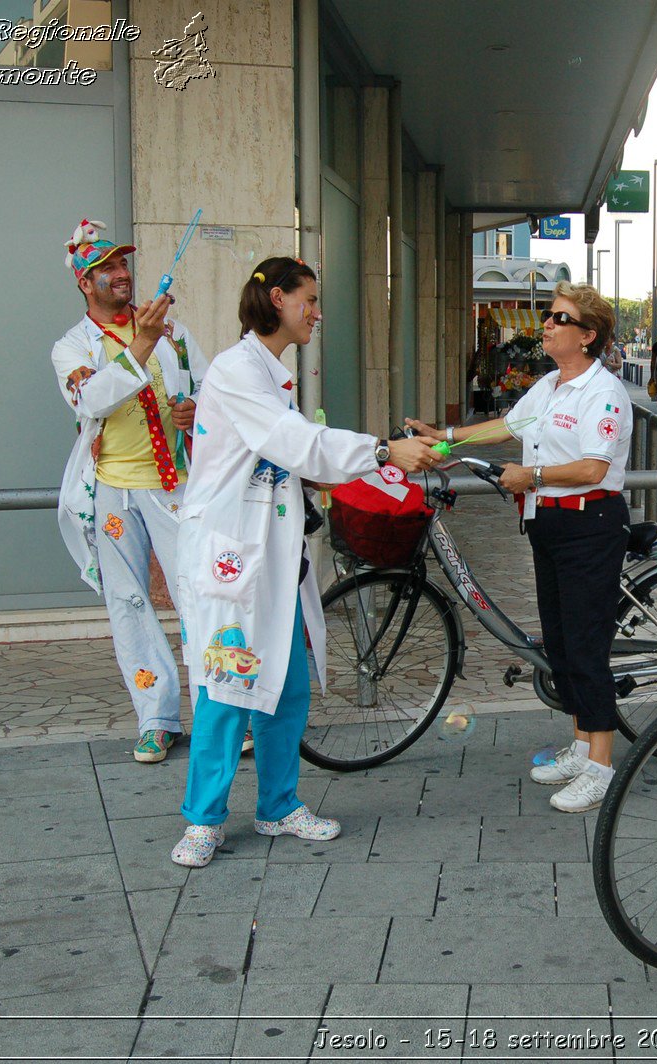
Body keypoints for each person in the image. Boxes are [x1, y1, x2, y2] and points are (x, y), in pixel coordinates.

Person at [170, 256, 440, 867]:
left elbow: (291, 456)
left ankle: (278, 805)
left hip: (273, 556)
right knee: (226, 686)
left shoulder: (273, 376)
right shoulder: (238, 371)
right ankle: (203, 819)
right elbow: (295, 442)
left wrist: (371, 466)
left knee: (286, 687)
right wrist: (381, 450)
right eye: (309, 301)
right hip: (233, 558)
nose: (317, 314)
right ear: (275, 301)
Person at [408, 281, 630, 813]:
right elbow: (507, 425)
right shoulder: (551, 386)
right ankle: (581, 746)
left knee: (585, 645)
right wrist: (444, 438)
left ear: (587, 335)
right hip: (549, 525)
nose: (548, 325)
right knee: (559, 642)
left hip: (589, 526)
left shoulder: (603, 393)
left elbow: (593, 468)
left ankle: (602, 765)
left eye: (559, 318)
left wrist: (530, 474)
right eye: (549, 316)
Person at [52, 218, 210, 764]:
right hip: (113, 493)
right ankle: (157, 718)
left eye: (122, 263)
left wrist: (197, 410)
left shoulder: (177, 332)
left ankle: (219, 715)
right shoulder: (72, 347)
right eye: (107, 268)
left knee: (198, 594)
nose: (122, 274)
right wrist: (141, 342)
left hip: (177, 488)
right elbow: (90, 400)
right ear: (83, 282)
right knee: (128, 604)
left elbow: (212, 390)